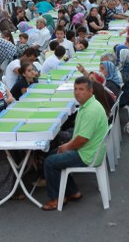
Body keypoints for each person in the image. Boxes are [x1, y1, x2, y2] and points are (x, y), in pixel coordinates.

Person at [42, 77, 109, 211]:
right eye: (75, 89)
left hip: (87, 155)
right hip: (90, 150)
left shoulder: (91, 110)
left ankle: (56, 199)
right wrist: (66, 145)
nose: (77, 93)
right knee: (52, 154)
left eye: (81, 89)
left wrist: (66, 146)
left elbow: (81, 140)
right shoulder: (89, 105)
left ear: (90, 92)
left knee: (50, 161)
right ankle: (73, 191)